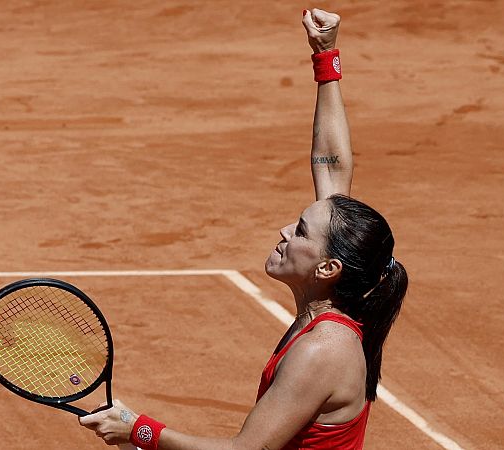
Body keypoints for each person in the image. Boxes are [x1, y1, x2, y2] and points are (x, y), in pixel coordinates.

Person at [80, 8, 408, 450]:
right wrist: (326, 58)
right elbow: (331, 162)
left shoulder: (323, 349)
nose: (285, 229)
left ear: (329, 267)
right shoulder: (327, 318)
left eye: (303, 232)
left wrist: (139, 429)